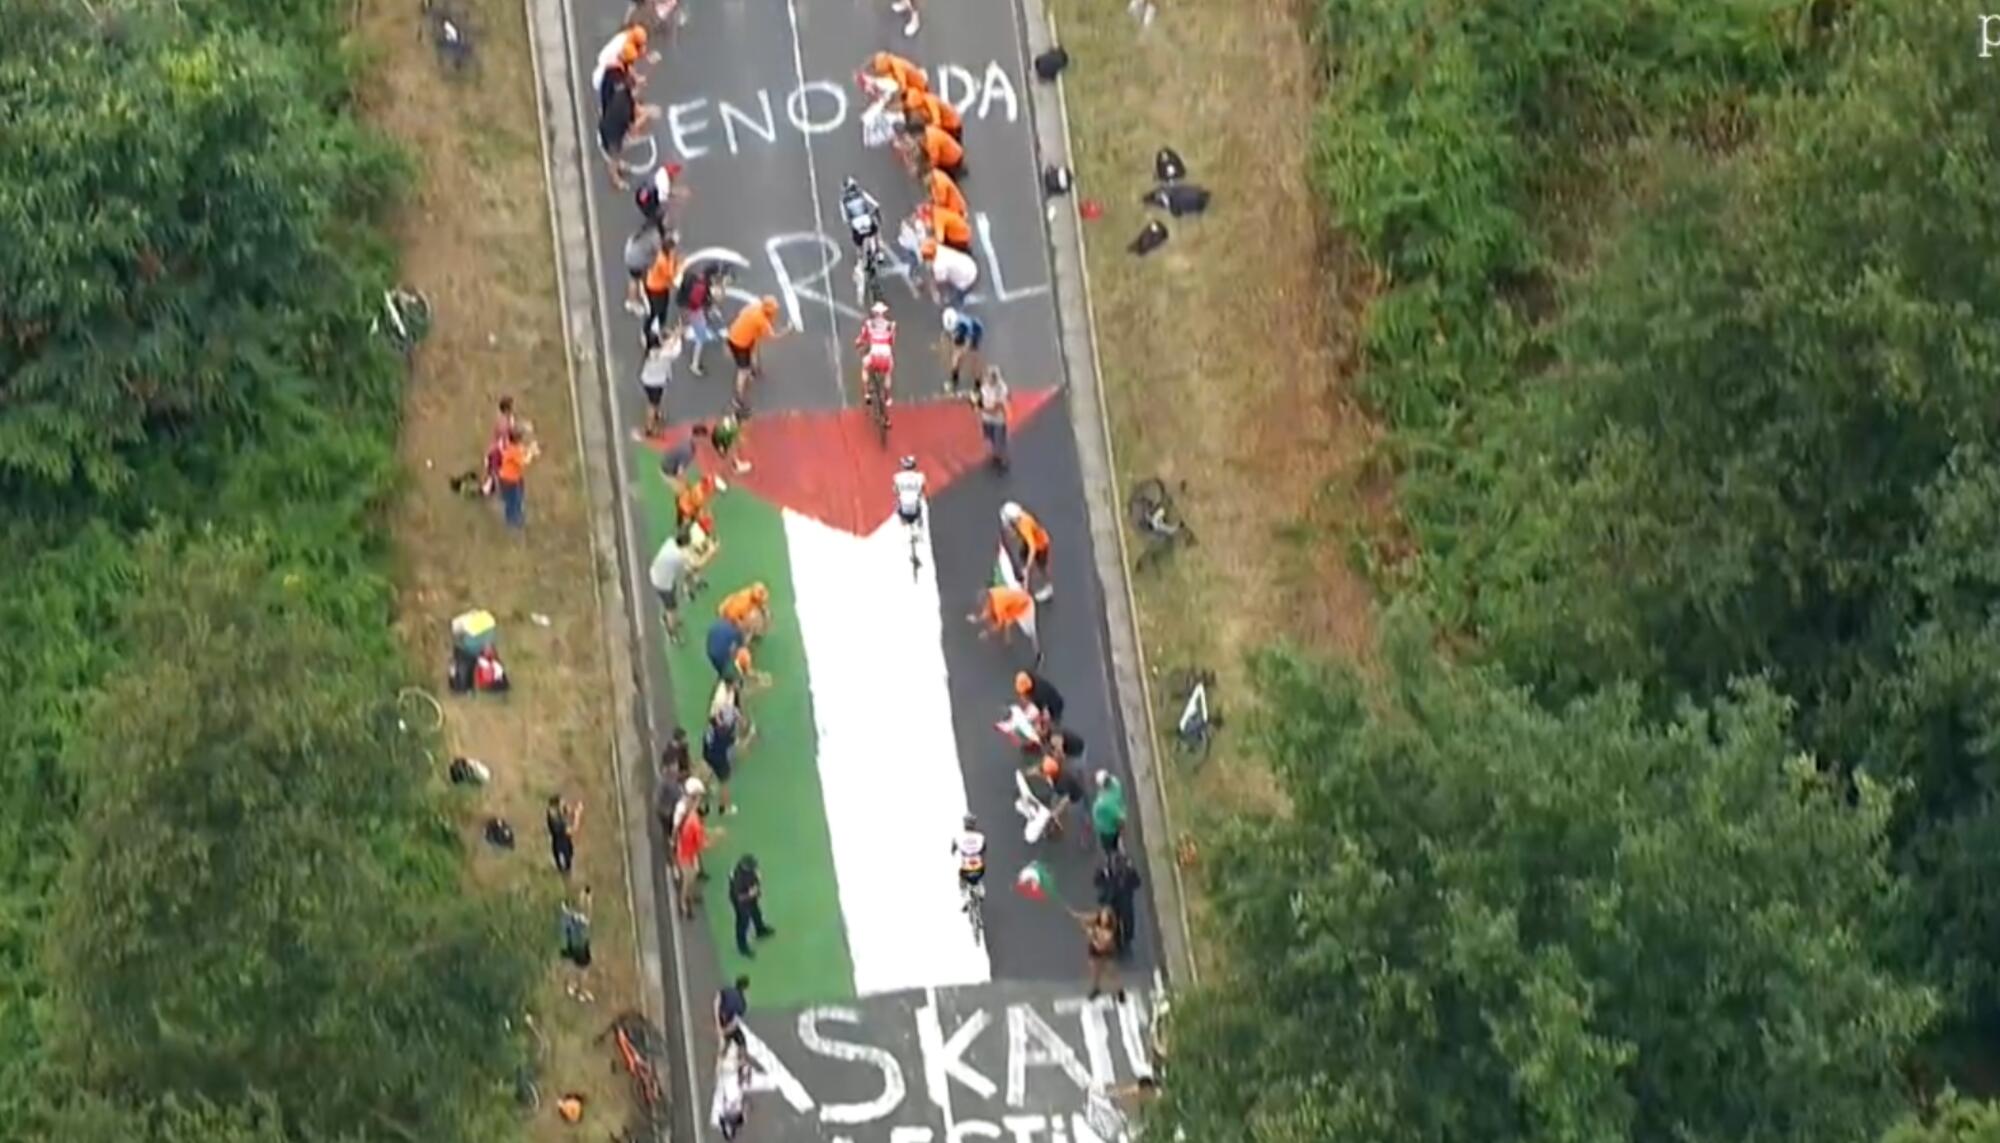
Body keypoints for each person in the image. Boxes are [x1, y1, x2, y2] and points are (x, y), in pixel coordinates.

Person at [596, 68, 658, 190]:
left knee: (619, 151)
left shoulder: (623, 93)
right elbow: (633, 127)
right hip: (611, 134)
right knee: (614, 156)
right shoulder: (626, 108)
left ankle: (618, 168)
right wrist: (646, 116)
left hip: (608, 124)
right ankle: (616, 179)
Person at [724, 295, 788, 410]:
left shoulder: (755, 307)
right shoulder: (761, 321)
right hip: (740, 343)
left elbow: (741, 313)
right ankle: (738, 399)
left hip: (736, 335)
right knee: (743, 371)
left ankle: (754, 370)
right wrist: (786, 331)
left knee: (754, 351)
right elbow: (773, 336)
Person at [676, 786, 721, 918]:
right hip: (686, 855)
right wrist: (716, 840)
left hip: (689, 852)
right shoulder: (694, 823)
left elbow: (701, 833)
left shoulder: (693, 817)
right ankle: (683, 903)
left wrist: (713, 833)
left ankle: (688, 898)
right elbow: (704, 845)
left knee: (693, 875)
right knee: (688, 879)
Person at [677, 262, 726, 378]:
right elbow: (696, 304)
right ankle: (695, 364)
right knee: (700, 337)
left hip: (690, 308)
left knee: (686, 322)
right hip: (694, 311)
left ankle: (679, 333)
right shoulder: (701, 287)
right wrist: (706, 306)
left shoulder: (700, 279)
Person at [969, 585, 1039, 663]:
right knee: (1007, 621)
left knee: (1030, 632)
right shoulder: (991, 592)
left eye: (985, 604)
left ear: (988, 600)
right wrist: (977, 619)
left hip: (1024, 608)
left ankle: (1038, 653)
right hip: (1013, 603)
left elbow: (999, 626)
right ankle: (1008, 640)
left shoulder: (999, 607)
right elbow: (988, 610)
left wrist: (987, 633)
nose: (985, 607)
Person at [1001, 500, 1055, 601]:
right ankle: (1023, 579)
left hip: (1040, 545)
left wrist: (1028, 565)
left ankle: (1048, 587)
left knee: (1041, 567)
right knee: (1022, 557)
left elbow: (1032, 547)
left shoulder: (1025, 525)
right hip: (1029, 542)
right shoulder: (1019, 519)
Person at [649, 528, 695, 642]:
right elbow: (686, 571)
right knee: (671, 608)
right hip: (663, 584)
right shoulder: (678, 557)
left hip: (657, 574)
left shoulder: (670, 542)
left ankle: (670, 620)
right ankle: (672, 632)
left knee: (671, 602)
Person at [1095, 849, 1144, 957]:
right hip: (1112, 902)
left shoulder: (1128, 873)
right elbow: (1097, 881)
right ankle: (1117, 943)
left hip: (1125, 902)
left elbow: (1137, 883)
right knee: (1114, 922)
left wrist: (1131, 872)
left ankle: (1126, 941)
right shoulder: (1107, 872)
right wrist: (1103, 874)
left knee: (1128, 922)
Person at [728, 855, 777, 957]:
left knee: (756, 912)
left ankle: (760, 930)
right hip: (741, 902)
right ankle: (742, 946)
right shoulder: (738, 878)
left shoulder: (749, 871)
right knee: (743, 922)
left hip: (750, 897)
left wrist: (756, 885)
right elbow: (739, 897)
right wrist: (750, 894)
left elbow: (754, 880)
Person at [1073, 904, 1124, 1002]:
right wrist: (1078, 917)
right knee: (1095, 972)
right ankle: (1096, 989)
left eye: (1105, 917)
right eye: (1102, 915)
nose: (1103, 918)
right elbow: (1086, 919)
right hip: (1094, 952)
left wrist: (1090, 935)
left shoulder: (1109, 931)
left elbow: (1101, 946)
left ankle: (1119, 991)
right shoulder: (1097, 918)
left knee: (1111, 972)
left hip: (1106, 952)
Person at [856, 301, 897, 412]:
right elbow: (892, 342)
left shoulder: (869, 324)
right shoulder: (891, 325)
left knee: (865, 366)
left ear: (874, 313)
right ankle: (888, 398)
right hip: (886, 356)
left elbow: (861, 338)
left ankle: (867, 394)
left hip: (874, 355)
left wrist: (858, 343)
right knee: (888, 373)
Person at [495, 427, 539, 529]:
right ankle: (512, 521)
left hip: (514, 479)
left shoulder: (514, 447)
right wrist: (531, 453)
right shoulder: (513, 451)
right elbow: (524, 462)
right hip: (508, 480)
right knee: (513, 500)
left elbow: (523, 451)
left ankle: (517, 516)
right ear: (518, 439)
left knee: (518, 497)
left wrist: (531, 450)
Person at [702, 698, 740, 814]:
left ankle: (705, 800)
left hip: (707, 754)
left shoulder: (711, 725)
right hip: (719, 759)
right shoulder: (726, 733)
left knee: (709, 775)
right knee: (724, 782)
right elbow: (735, 745)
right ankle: (724, 808)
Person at [1039, 753, 1089, 841]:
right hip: (1062, 792)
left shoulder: (1062, 784)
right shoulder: (1057, 771)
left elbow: (1065, 801)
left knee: (1074, 817)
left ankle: (1084, 833)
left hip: (1075, 799)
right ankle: (1056, 824)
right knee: (1055, 804)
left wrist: (1056, 812)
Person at [622, 219, 666, 316]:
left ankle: (631, 299)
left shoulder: (641, 231)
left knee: (634, 278)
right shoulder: (655, 236)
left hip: (630, 255)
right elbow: (660, 252)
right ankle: (635, 301)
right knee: (642, 277)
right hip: (638, 260)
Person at [971, 366, 1010, 470]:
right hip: (986, 419)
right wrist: (975, 402)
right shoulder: (984, 386)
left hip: (998, 420)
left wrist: (980, 409)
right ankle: (996, 454)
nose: (990, 379)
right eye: (988, 376)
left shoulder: (1001, 389)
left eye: (992, 377)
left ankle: (1002, 458)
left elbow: (996, 408)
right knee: (989, 438)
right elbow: (979, 397)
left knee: (999, 440)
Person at [921, 238, 979, 309]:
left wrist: (934, 291)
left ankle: (956, 306)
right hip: (970, 265)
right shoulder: (940, 248)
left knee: (953, 295)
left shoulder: (939, 265)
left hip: (965, 279)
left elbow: (941, 283)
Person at [638, 328, 674, 437]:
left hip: (646, 380)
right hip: (657, 382)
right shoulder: (664, 354)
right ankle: (649, 427)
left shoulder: (648, 353)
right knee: (652, 404)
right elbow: (667, 368)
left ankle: (657, 414)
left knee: (653, 400)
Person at [655, 736, 692, 838]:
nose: (676, 767)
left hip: (664, 809)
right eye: (674, 765)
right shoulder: (668, 782)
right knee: (673, 831)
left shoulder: (667, 776)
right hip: (667, 812)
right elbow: (678, 795)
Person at [940, 307, 985, 389]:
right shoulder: (948, 322)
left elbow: (968, 342)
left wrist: (963, 351)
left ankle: (978, 384)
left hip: (975, 332)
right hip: (961, 333)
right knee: (956, 356)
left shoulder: (964, 324)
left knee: (972, 358)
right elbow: (946, 335)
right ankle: (954, 380)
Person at [635, 160, 687, 232]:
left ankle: (651, 217)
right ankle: (662, 234)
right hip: (647, 202)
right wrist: (678, 196)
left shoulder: (660, 172)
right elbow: (664, 198)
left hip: (640, 194)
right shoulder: (664, 184)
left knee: (656, 210)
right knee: (661, 214)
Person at [643, 243, 681, 332]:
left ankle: (661, 326)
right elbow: (671, 275)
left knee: (663, 308)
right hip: (656, 288)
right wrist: (675, 262)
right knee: (656, 310)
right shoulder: (662, 260)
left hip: (661, 286)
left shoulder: (663, 255)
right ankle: (647, 329)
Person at [839, 177, 883, 249]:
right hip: (866, 219)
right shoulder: (861, 193)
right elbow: (874, 203)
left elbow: (844, 215)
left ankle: (859, 256)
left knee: (857, 241)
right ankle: (879, 243)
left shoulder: (843, 200)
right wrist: (875, 210)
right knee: (875, 229)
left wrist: (847, 221)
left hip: (855, 223)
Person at [1091, 770, 1128, 855]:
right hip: (1114, 821)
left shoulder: (1106, 802)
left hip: (1108, 829)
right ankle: (1120, 853)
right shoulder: (1115, 782)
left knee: (1111, 844)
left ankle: (1119, 855)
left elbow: (1119, 818)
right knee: (1118, 840)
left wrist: (1120, 826)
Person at [546, 794, 583, 875]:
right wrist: (577, 816)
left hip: (562, 843)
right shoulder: (556, 822)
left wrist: (576, 808)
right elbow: (572, 830)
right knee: (565, 868)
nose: (564, 805)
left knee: (568, 860)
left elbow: (568, 810)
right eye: (562, 804)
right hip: (561, 847)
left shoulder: (555, 812)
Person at [952, 814, 987, 899]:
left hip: (966, 869)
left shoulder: (958, 837)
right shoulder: (981, 837)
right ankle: (980, 892)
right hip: (979, 868)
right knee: (979, 876)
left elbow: (953, 849)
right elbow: (984, 850)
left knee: (962, 879)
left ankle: (965, 897)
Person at [715, 975, 751, 1052]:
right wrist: (723, 1032)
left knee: (729, 1039)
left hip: (721, 1017)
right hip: (727, 1022)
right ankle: (740, 1061)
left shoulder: (727, 990)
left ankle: (723, 1051)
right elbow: (734, 1022)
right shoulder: (742, 1004)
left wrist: (717, 1021)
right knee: (741, 1041)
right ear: (745, 988)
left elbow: (717, 999)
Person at [893, 455, 926, 528]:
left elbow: (895, 491)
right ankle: (920, 523)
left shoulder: (897, 477)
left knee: (896, 501)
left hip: (903, 511)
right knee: (921, 500)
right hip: (916, 511)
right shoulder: (920, 476)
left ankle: (902, 522)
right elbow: (922, 491)